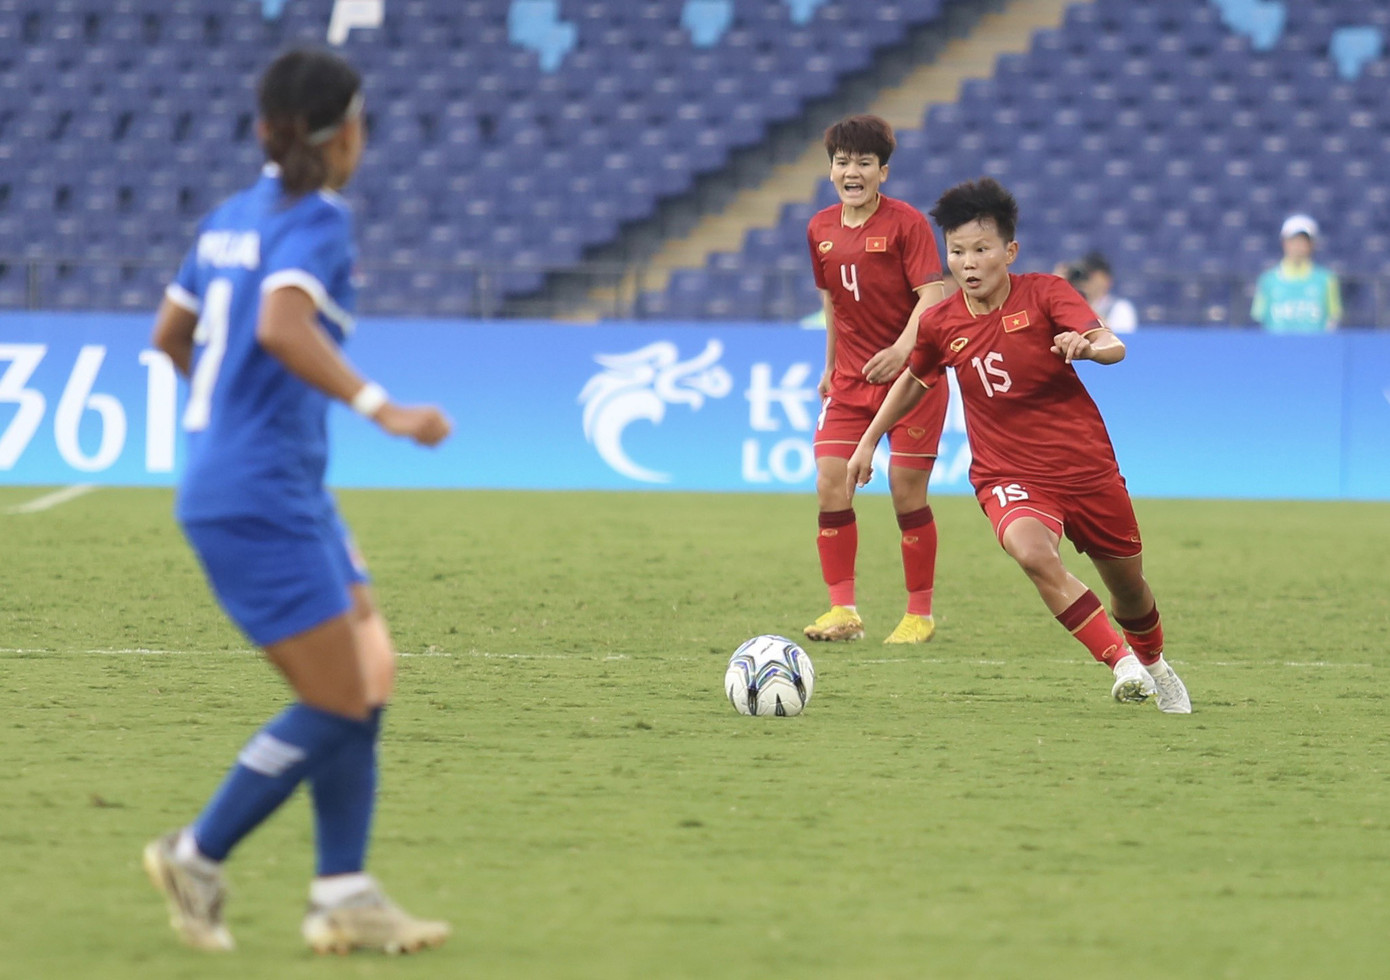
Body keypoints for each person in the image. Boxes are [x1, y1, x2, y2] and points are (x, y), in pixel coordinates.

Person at [144, 48, 454, 954]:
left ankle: (343, 893)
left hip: (269, 484)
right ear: (347, 130)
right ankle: (197, 853)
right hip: (260, 496)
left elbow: (169, 335)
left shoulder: (228, 219)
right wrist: (381, 408)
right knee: (339, 703)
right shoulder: (319, 220)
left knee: (373, 668)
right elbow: (283, 324)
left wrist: (225, 420)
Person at [846, 177, 1191, 713]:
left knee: (1130, 592)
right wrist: (869, 441)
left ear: (1009, 251)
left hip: (1087, 470)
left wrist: (1089, 348)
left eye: (981, 250)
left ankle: (1155, 664)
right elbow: (916, 379)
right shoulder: (939, 323)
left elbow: (1112, 345)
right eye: (956, 252)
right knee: (1032, 552)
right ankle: (1121, 662)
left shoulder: (1047, 294)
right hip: (1007, 474)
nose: (968, 263)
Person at [802, 114, 949, 645]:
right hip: (850, 381)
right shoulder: (819, 228)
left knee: (905, 492)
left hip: (913, 377)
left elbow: (932, 297)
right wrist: (828, 364)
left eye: (864, 162)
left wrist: (902, 349)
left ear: (883, 172)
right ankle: (843, 610)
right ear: (831, 170)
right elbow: (832, 304)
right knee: (829, 481)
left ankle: (919, 615)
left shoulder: (907, 224)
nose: (852, 171)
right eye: (843, 162)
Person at [1251, 214, 1341, 332]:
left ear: (1312, 245)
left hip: (1314, 347)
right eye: (1293, 241)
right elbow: (1259, 319)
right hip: (1277, 347)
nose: (1297, 246)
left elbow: (1333, 318)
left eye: (1303, 241)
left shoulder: (1327, 279)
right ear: (1284, 243)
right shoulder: (1268, 280)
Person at [1077, 251, 1137, 333]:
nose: (1088, 280)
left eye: (1093, 275)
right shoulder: (1073, 306)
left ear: (1106, 279)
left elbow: (1122, 339)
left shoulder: (1121, 307)